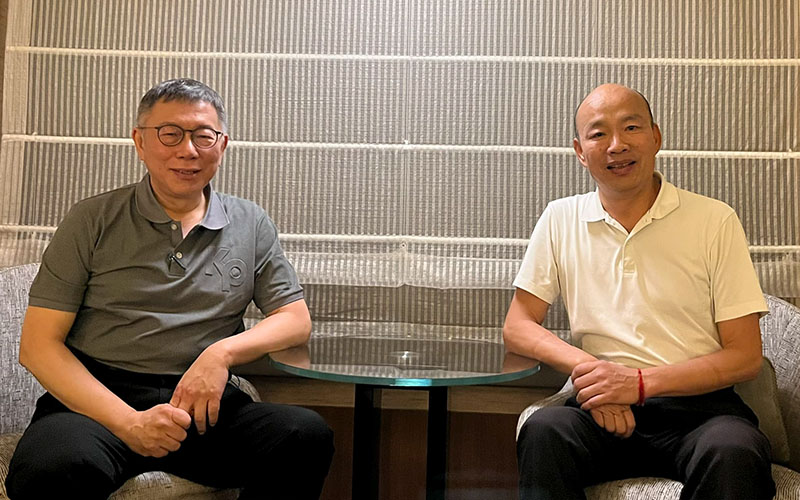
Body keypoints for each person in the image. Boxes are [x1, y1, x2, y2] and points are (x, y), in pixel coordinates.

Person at [6, 78, 334, 499]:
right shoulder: (92, 219)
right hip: (99, 404)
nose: (188, 150)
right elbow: (38, 346)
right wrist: (130, 424)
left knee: (304, 435)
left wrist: (220, 355)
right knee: (50, 467)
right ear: (140, 142)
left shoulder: (250, 222)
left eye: (203, 136)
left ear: (222, 145)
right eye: (170, 134)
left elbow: (294, 320)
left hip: (202, 406)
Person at [504, 83, 775, 500]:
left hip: (701, 411)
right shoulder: (560, 219)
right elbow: (518, 326)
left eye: (631, 127)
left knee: (735, 450)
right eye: (599, 134)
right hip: (601, 410)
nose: (617, 145)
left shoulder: (713, 220)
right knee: (545, 431)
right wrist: (597, 375)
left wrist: (640, 384)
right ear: (580, 151)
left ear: (656, 137)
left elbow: (745, 356)